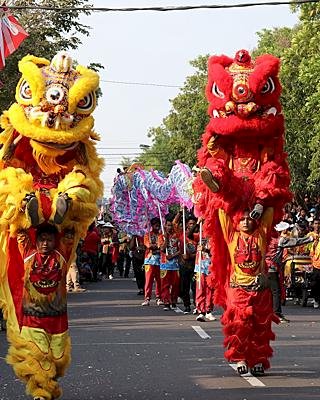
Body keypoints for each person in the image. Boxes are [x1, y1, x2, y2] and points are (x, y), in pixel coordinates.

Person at [11, 224, 74, 400]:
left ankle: (49, 386)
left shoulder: (62, 253)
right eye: (42, 239)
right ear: (36, 241)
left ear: (56, 241)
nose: (45, 243)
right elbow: (19, 230)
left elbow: (72, 229)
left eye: (49, 240)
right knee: (38, 357)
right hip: (33, 318)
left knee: (56, 360)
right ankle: (41, 393)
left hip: (58, 320)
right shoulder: (28, 253)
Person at [219, 208, 275, 376]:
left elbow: (270, 208)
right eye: (241, 219)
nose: (245, 222)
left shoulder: (261, 234)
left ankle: (258, 360)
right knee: (240, 326)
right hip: (238, 290)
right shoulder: (231, 236)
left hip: (260, 289)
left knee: (261, 326)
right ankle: (240, 359)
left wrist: (259, 205)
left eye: (249, 218)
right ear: (236, 221)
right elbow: (222, 209)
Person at [266, 221, 313, 322]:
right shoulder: (280, 240)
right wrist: (310, 239)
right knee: (276, 292)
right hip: (272, 269)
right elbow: (296, 242)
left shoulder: (268, 239)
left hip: (267, 268)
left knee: (270, 292)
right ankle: (276, 314)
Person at [158, 216, 181, 310]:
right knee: (165, 284)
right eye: (168, 225)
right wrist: (166, 239)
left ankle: (174, 300)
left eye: (171, 225)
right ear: (165, 226)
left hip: (175, 265)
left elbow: (181, 250)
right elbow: (162, 249)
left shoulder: (178, 236)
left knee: (175, 284)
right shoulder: (161, 236)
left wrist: (173, 255)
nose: (170, 227)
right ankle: (166, 302)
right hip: (165, 265)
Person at [194, 237, 216, 321]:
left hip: (211, 267)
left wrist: (205, 250)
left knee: (210, 290)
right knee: (200, 289)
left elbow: (216, 253)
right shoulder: (199, 235)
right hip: (200, 268)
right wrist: (197, 224)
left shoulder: (215, 237)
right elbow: (189, 235)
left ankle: (208, 311)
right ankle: (201, 311)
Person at [180, 216, 198, 314]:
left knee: (195, 286)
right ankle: (187, 305)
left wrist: (191, 255)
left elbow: (200, 251)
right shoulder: (182, 235)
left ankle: (197, 305)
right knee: (184, 287)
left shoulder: (197, 236)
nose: (192, 226)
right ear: (187, 224)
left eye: (193, 224)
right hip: (184, 265)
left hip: (194, 265)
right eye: (190, 224)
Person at [141, 217, 162, 306]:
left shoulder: (162, 235)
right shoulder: (147, 235)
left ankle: (159, 297)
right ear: (152, 225)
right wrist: (155, 246)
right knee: (148, 280)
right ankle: (147, 298)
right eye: (155, 225)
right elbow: (148, 245)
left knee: (159, 280)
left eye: (158, 225)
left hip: (160, 261)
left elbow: (161, 246)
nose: (157, 226)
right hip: (149, 261)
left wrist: (156, 246)